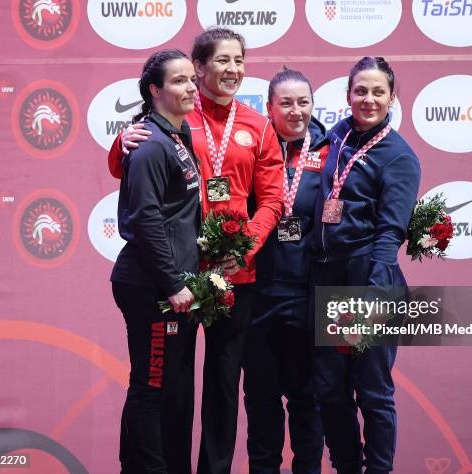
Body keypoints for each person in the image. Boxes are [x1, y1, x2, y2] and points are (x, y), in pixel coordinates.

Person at [108, 28, 284, 474]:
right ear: (199, 67)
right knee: (172, 383)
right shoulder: (177, 115)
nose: (233, 70)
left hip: (234, 275)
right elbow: (128, 168)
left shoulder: (258, 125)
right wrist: (119, 142)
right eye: (222, 61)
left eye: (239, 61)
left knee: (224, 383)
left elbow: (272, 201)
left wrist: (246, 248)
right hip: (180, 273)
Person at [311, 57, 421, 473]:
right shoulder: (337, 136)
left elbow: (390, 234)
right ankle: (346, 467)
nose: (369, 99)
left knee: (372, 391)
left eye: (378, 92)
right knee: (330, 389)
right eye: (361, 91)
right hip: (330, 278)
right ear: (347, 96)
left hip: (370, 282)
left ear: (392, 97)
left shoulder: (399, 157)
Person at [110, 49, 201, 474]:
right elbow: (145, 217)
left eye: (191, 80)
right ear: (154, 90)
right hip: (153, 288)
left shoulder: (175, 138)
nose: (190, 88)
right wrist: (171, 282)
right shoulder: (149, 145)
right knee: (150, 385)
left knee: (170, 387)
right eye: (179, 81)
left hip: (172, 284)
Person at [242, 68, 329, 473]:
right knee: (260, 400)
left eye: (303, 102)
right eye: (287, 103)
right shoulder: (253, 150)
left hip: (309, 298)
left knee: (307, 400)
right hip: (257, 296)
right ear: (270, 108)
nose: (296, 111)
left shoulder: (332, 150)